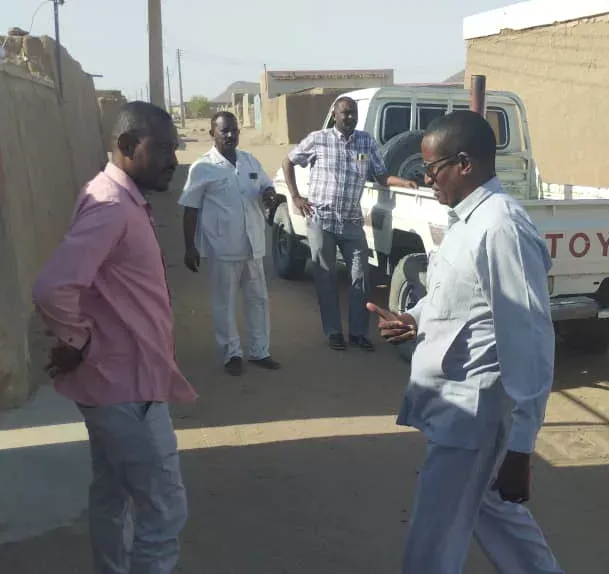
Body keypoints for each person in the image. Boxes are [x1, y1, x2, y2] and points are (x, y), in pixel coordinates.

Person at [367, 110, 563, 574]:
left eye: (432, 169)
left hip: (472, 414)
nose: (425, 178)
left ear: (464, 164)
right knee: (494, 514)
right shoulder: (464, 220)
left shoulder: (501, 228)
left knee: (432, 539)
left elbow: (529, 337)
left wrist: (521, 446)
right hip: (454, 403)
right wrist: (413, 320)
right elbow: (457, 299)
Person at [33, 101, 197, 574]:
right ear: (127, 147)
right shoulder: (110, 206)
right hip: (126, 389)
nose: (173, 160)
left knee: (111, 494)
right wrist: (78, 340)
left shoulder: (112, 195)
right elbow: (52, 287)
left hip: (118, 384)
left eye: (175, 148)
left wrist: (80, 340)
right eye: (162, 149)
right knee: (164, 511)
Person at [282, 96, 417, 351]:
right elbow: (288, 161)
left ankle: (358, 333)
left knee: (360, 278)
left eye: (353, 113)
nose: (349, 117)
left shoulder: (366, 141)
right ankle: (333, 332)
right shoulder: (318, 139)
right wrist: (296, 196)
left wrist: (405, 183)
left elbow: (381, 175)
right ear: (334, 115)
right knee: (326, 277)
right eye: (345, 113)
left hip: (352, 222)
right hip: (321, 219)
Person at [179, 111, 280, 376]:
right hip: (222, 246)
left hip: (252, 245)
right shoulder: (202, 167)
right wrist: (190, 247)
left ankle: (260, 351)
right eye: (224, 131)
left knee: (258, 300)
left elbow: (266, 188)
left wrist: (269, 194)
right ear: (212, 134)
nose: (231, 135)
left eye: (234, 130)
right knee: (224, 302)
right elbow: (190, 208)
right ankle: (231, 353)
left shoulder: (250, 161)